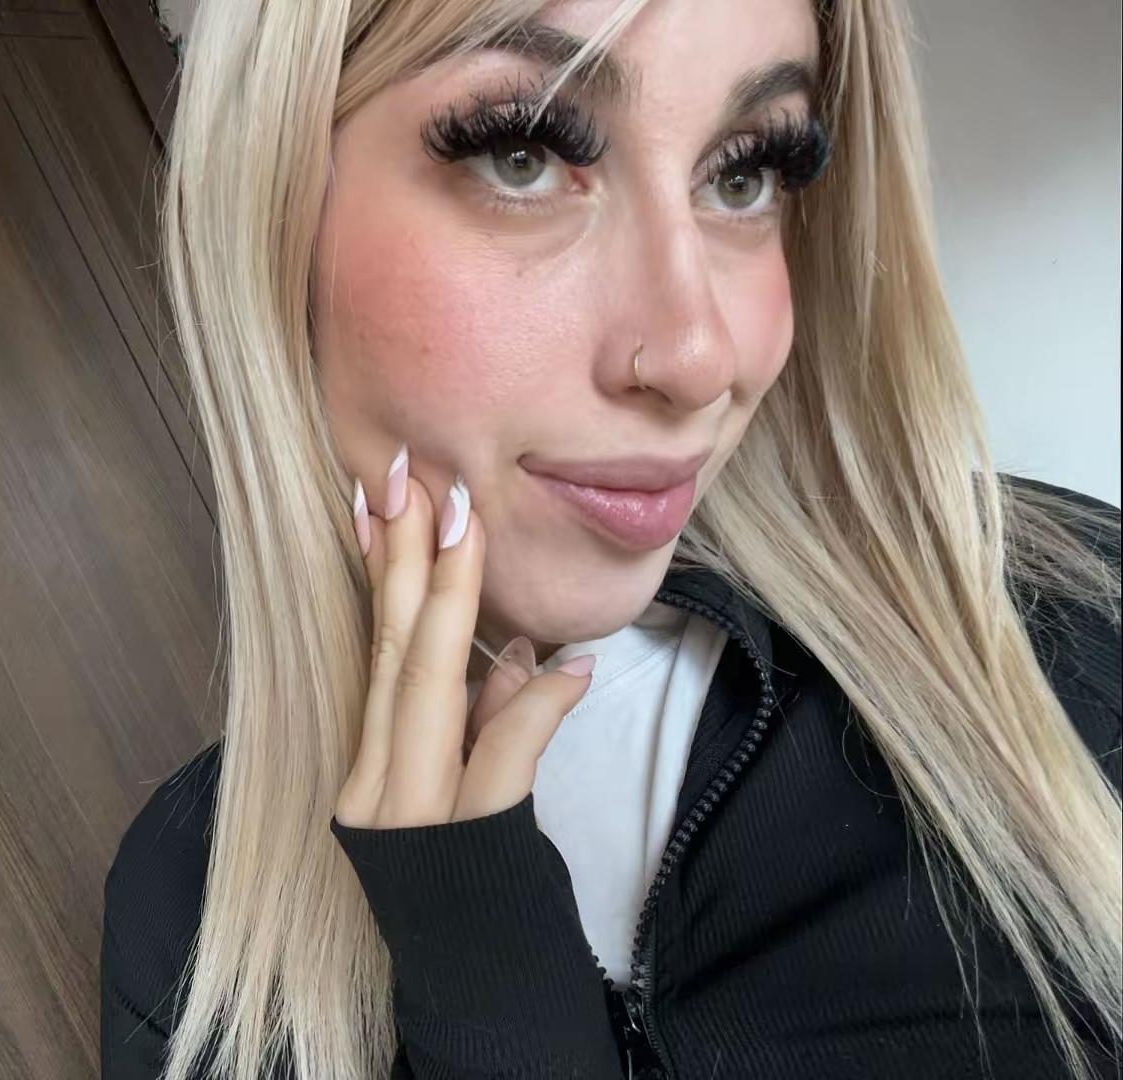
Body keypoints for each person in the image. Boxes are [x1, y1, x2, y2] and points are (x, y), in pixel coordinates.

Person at [101, 0, 1123, 1076]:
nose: (696, 358)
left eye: (746, 173)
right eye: (524, 153)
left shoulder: (1064, 614)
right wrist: (480, 979)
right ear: (273, 211)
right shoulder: (188, 920)